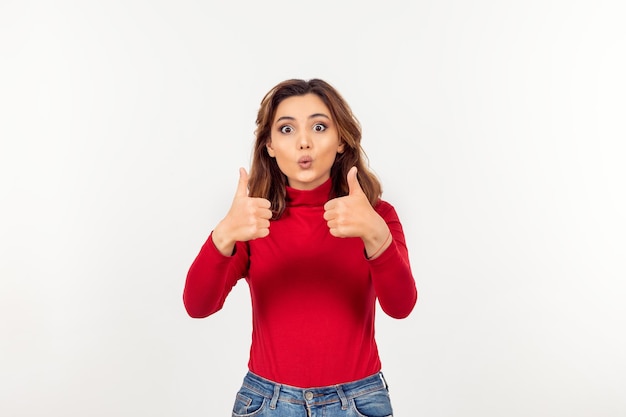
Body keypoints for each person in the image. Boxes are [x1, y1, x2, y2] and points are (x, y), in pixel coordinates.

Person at [183, 78, 417, 417]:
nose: (304, 142)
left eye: (319, 127)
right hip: (267, 401)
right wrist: (224, 235)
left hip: (358, 400)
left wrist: (377, 238)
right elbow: (197, 305)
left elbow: (401, 306)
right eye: (287, 129)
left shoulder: (377, 216)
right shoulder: (253, 219)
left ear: (340, 140)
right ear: (269, 145)